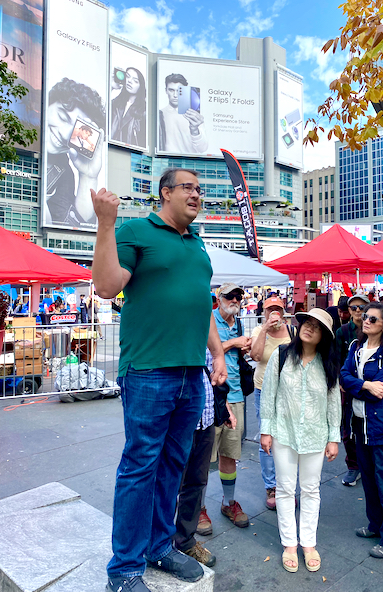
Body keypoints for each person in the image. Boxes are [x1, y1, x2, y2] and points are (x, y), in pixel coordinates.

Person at [91, 167, 227, 592]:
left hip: (192, 372)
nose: (197, 195)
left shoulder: (198, 244)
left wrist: (218, 351)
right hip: (149, 370)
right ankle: (125, 568)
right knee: (140, 467)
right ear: (164, 194)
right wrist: (105, 224)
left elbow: (201, 304)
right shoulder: (134, 231)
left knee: (174, 464)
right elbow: (106, 286)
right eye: (188, 187)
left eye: (200, 190)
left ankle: (159, 546)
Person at [261, 308, 341, 573]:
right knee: (284, 489)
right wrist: (266, 430)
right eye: (307, 322)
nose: (309, 328)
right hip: (284, 431)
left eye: (317, 327)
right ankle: (289, 545)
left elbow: (333, 401)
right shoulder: (282, 355)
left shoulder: (327, 363)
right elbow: (268, 394)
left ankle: (308, 543)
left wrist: (333, 437)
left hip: (316, 435)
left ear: (324, 336)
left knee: (311, 489)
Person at [341, 302, 383, 559]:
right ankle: (375, 525)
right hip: (361, 424)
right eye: (365, 316)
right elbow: (343, 376)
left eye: (373, 319)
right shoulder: (355, 347)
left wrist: (359, 387)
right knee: (368, 479)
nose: (365, 320)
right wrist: (366, 385)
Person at [174, 350, 236, 568]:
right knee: (170, 483)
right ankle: (159, 542)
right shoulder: (176, 329)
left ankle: (185, 541)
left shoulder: (208, 335)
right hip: (179, 422)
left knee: (196, 482)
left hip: (206, 420)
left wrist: (225, 408)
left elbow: (213, 375)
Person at [209, 283, 251, 529]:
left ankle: (229, 501)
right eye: (230, 296)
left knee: (230, 454)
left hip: (235, 396)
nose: (235, 300)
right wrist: (234, 342)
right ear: (219, 297)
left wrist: (244, 347)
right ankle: (199, 508)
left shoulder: (239, 323)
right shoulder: (210, 319)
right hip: (213, 396)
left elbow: (235, 355)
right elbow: (206, 350)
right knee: (204, 457)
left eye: (238, 296)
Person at [250, 296, 294, 510]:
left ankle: (286, 484)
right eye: (270, 310)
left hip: (287, 392)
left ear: (284, 312)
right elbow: (256, 356)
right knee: (267, 437)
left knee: (287, 436)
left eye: (277, 309)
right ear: (264, 313)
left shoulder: (292, 332)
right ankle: (271, 486)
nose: (274, 313)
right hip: (263, 390)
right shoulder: (259, 331)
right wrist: (265, 331)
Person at [45, 78, 105, 229]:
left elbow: (71, 232)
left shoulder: (63, 172)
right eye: (62, 117)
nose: (66, 135)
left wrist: (88, 177)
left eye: (75, 133)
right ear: (46, 103)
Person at [335, 294, 370, 486]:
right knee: (347, 427)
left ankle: (367, 465)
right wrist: (340, 380)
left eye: (361, 307)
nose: (358, 310)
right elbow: (337, 359)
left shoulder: (374, 328)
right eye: (354, 307)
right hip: (347, 386)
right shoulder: (343, 331)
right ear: (348, 311)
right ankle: (353, 466)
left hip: (369, 386)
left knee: (368, 425)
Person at [158, 73, 207, 154]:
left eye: (178, 91)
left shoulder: (193, 115)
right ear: (166, 90)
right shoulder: (160, 114)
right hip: (167, 162)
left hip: (189, 163)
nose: (175, 95)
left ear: (185, 91)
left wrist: (194, 130)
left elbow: (203, 148)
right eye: (171, 90)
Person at [111, 67, 146, 147]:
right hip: (112, 150)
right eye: (127, 76)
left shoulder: (144, 112)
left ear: (141, 86)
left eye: (135, 81)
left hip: (129, 155)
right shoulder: (116, 103)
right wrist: (111, 87)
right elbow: (102, 117)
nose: (130, 81)